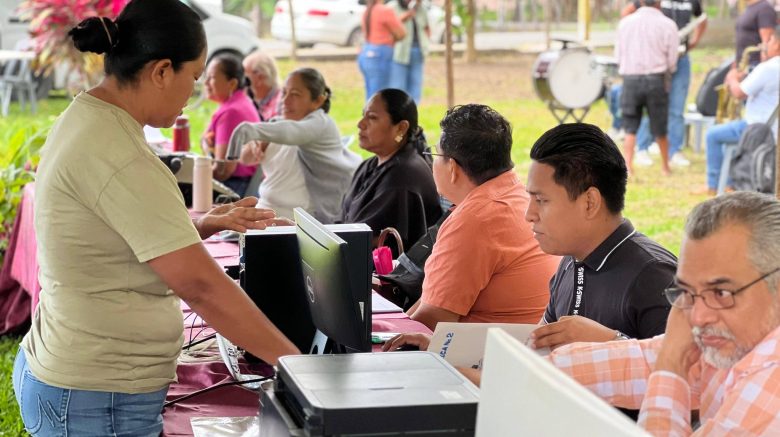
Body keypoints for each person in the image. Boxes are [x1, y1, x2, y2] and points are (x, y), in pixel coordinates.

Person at [11, 1, 299, 435]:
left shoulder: (90, 117)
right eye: (194, 77)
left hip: (79, 381)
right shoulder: (120, 153)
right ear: (162, 71)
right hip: (94, 396)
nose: (193, 93)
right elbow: (201, 287)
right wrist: (297, 366)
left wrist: (197, 227)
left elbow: (110, 236)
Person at [542, 191, 780, 436]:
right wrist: (535, 369)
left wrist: (670, 366)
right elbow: (637, 363)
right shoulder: (736, 334)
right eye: (686, 291)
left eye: (721, 293)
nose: (698, 317)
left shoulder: (772, 386)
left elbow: (665, 359)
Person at [406, 104, 559, 331]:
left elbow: (429, 322)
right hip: (527, 344)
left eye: (435, 154)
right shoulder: (517, 194)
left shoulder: (475, 220)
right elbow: (434, 301)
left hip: (490, 351)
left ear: (453, 168)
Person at [231, 68, 361, 222]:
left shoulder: (321, 124)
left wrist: (255, 131)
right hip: (265, 212)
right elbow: (245, 159)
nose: (285, 101)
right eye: (284, 93)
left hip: (300, 221)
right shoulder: (277, 126)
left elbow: (294, 132)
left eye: (295, 94)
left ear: (318, 101)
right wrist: (255, 145)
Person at [341, 88, 442, 254]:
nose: (361, 124)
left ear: (401, 128)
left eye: (372, 117)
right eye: (363, 115)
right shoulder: (370, 165)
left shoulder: (403, 176)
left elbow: (367, 241)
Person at [621, 0, 708, 168]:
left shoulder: (692, 1)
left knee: (676, 107)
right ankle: (643, 148)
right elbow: (626, 12)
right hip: (655, 60)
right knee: (648, 105)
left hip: (680, 58)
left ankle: (674, 151)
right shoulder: (653, 3)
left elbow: (702, 19)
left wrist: (695, 41)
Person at [704, 26, 779, 195]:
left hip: (756, 129)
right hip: (775, 131)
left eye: (770, 40)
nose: (765, 44)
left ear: (777, 44)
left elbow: (739, 93)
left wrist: (732, 78)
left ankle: (714, 185)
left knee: (712, 135)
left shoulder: (768, 68)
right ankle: (728, 181)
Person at [615, 0, 679, 176]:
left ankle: (628, 167)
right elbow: (672, 60)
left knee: (630, 125)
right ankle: (665, 167)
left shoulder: (625, 24)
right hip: (656, 80)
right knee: (660, 125)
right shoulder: (668, 24)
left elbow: (618, 56)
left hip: (630, 80)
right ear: (659, 3)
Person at [203, 54, 260, 197]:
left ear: (232, 84)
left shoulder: (231, 113)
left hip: (235, 187)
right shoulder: (239, 101)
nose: (206, 83)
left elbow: (223, 171)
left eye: (211, 77)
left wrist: (196, 175)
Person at [358, 0, 406, 101]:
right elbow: (401, 33)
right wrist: (391, 39)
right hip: (380, 54)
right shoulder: (385, 11)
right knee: (380, 96)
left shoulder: (367, 11)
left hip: (366, 53)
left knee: (370, 94)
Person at [387, 0, 430, 104]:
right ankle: (398, 110)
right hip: (399, 52)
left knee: (416, 85)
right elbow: (389, 27)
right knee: (398, 86)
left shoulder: (421, 8)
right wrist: (406, 16)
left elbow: (426, 28)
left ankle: (413, 110)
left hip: (417, 51)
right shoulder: (391, 7)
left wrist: (426, 43)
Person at [242, 50, 281, 121]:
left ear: (260, 77)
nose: (241, 81)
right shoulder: (250, 100)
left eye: (245, 77)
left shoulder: (280, 104)